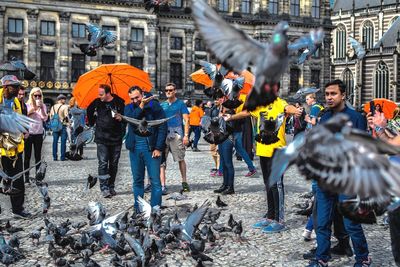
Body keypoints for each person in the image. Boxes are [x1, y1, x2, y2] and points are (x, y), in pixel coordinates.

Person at [307, 79, 371, 267]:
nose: (329, 97)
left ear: (343, 95)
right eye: (327, 94)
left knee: (351, 223)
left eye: (333, 93)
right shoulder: (324, 116)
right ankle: (322, 258)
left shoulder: (356, 117)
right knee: (322, 222)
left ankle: (363, 258)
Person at [225, 82, 303, 233]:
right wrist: (231, 117)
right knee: (268, 184)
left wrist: (297, 111)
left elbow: (289, 108)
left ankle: (279, 220)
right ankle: (270, 215)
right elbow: (247, 113)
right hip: (262, 149)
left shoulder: (280, 103)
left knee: (277, 185)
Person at [123, 86, 167, 211]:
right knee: (137, 180)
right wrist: (141, 105)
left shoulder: (154, 106)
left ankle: (155, 210)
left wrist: (159, 148)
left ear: (142, 94)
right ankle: (139, 209)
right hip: (135, 149)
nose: (135, 100)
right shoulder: (128, 108)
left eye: (137, 97)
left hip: (151, 148)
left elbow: (163, 127)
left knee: (155, 182)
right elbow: (132, 120)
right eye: (132, 98)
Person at [0, 75, 31, 218]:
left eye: (18, 86)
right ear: (6, 87)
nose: (18, 88)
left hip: (15, 148)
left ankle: (18, 209)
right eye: (15, 86)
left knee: (18, 179)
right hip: (0, 150)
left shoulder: (17, 102)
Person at [87, 84, 125, 198]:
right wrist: (92, 121)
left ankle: (111, 185)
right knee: (103, 163)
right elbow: (89, 111)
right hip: (102, 137)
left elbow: (125, 118)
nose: (99, 96)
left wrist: (121, 118)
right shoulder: (97, 102)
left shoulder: (119, 102)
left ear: (108, 93)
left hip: (116, 137)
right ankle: (104, 187)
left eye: (101, 94)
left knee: (113, 164)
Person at [160, 83, 190, 194]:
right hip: (164, 134)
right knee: (161, 161)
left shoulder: (180, 104)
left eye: (171, 90)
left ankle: (184, 182)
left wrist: (186, 135)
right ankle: (162, 185)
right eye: (167, 90)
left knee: (180, 158)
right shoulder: (162, 105)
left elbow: (186, 120)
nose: (168, 92)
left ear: (175, 91)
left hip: (177, 134)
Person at [24, 87, 48, 183]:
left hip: (38, 133)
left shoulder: (43, 106)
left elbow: (44, 118)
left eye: (39, 95)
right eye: (35, 95)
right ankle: (26, 177)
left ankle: (38, 177)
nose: (37, 97)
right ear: (32, 96)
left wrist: (41, 108)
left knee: (38, 155)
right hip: (29, 133)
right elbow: (24, 116)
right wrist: (33, 110)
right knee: (27, 156)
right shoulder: (27, 105)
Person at [49, 94, 69, 161]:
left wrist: (52, 125)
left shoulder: (53, 107)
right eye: (64, 99)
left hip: (55, 125)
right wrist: (69, 124)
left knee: (55, 141)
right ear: (61, 100)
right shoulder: (64, 107)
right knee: (63, 142)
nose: (65, 100)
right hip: (62, 125)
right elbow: (66, 116)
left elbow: (51, 117)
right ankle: (62, 157)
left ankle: (55, 157)